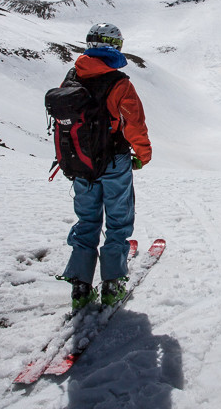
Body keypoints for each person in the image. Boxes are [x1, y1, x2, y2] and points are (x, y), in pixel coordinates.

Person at [60, 23, 151, 309]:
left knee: (87, 221)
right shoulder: (119, 82)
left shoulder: (72, 77)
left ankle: (80, 287)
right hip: (114, 161)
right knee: (118, 221)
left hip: (81, 164)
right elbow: (134, 123)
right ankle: (112, 284)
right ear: (115, 47)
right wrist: (143, 155)